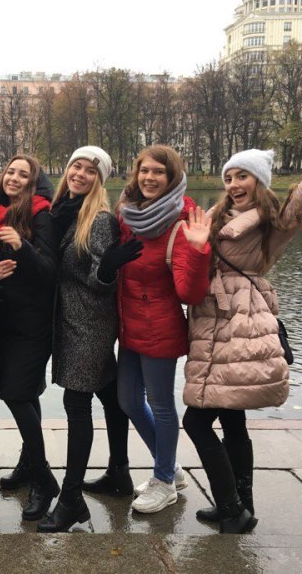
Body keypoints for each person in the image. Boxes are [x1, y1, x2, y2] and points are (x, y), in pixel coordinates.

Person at [183, 118, 302, 534]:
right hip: (210, 322)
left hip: (241, 324)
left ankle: (231, 506)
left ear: (259, 181)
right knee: (232, 419)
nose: (234, 184)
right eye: (229, 177)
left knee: (196, 422)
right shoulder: (215, 217)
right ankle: (241, 506)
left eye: (243, 176)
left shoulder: (273, 221)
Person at [37, 146, 137, 532]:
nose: (80, 174)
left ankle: (71, 498)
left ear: (100, 179)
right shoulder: (63, 212)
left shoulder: (98, 220)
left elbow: (100, 280)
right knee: (109, 395)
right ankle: (119, 472)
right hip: (73, 320)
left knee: (76, 403)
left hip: (89, 324)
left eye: (90, 170)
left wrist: (108, 269)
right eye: (75, 166)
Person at [115, 145, 212, 514]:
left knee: (161, 404)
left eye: (158, 172)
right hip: (129, 326)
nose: (149, 177)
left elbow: (190, 293)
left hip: (160, 328)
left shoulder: (181, 221)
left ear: (172, 178)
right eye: (145, 170)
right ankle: (170, 467)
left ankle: (165, 481)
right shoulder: (129, 214)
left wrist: (199, 250)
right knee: (128, 400)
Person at [0, 155, 59, 521]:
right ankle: (28, 465)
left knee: (15, 395)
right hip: (7, 319)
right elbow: (2, 269)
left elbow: (49, 271)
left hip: (33, 323)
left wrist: (21, 245)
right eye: (10, 171)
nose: (13, 178)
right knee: (26, 394)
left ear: (33, 182)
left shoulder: (41, 214)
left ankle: (44, 479)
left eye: (23, 174)